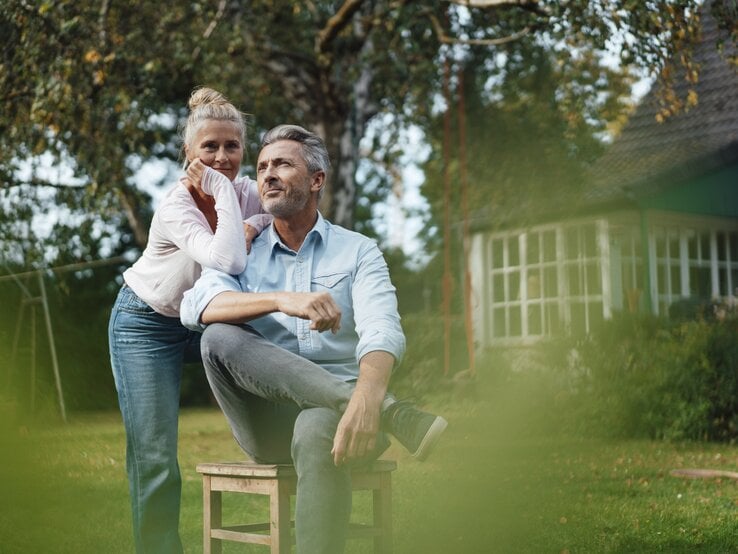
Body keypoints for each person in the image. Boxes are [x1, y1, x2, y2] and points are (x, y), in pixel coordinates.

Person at [180, 124, 447, 554]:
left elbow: (382, 329)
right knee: (217, 337)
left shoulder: (358, 251)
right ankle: (394, 414)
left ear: (316, 180)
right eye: (262, 165)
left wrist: (365, 399)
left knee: (315, 425)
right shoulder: (241, 249)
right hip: (267, 421)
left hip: (348, 422)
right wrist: (284, 300)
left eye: (282, 164)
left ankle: (358, 405)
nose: (267, 174)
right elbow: (197, 308)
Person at [108, 87, 270, 554]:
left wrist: (254, 222)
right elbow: (228, 259)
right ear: (189, 153)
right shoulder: (175, 208)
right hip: (146, 324)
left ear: (243, 148)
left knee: (282, 357)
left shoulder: (249, 194)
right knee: (155, 452)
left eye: (232, 146)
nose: (223, 157)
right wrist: (222, 194)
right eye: (210, 147)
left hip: (206, 317)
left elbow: (291, 215)